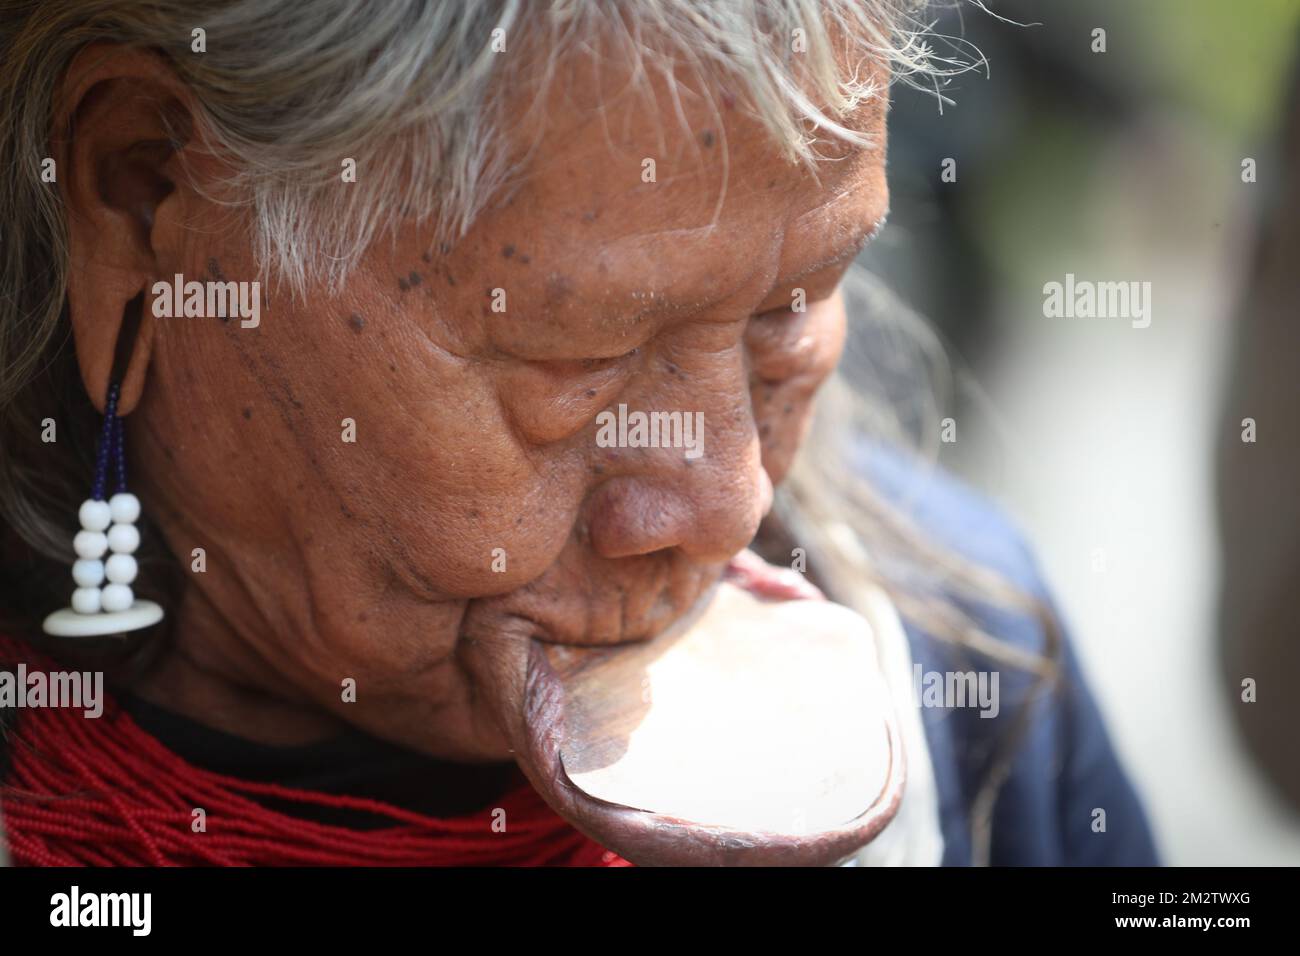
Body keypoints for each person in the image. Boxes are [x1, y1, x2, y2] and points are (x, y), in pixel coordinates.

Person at [0, 0, 1156, 866]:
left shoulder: (968, 674)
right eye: (580, 361)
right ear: (145, 192)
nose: (729, 502)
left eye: (790, 305)